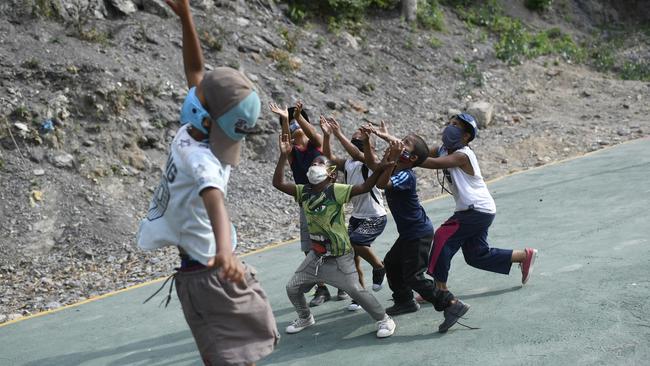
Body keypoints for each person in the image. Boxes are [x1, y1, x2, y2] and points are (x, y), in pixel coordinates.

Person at [136, 1, 278, 365]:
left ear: (203, 111)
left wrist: (226, 254)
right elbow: (196, 70)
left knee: (228, 356)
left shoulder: (200, 156)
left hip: (210, 271)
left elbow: (215, 199)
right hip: (208, 266)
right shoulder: (208, 125)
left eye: (197, 94)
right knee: (235, 352)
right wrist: (186, 17)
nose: (193, 90)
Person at [272, 132, 396, 338]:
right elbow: (278, 183)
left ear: (331, 174)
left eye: (320, 163)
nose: (314, 165)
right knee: (292, 288)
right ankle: (305, 318)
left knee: (356, 291)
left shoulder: (336, 190)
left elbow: (365, 186)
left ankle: (384, 320)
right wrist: (284, 155)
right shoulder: (304, 191)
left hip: (339, 256)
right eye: (314, 163)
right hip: (316, 257)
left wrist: (381, 169)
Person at [420, 113, 538, 299]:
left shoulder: (463, 155)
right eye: (450, 123)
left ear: (466, 136)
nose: (450, 127)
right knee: (476, 254)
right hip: (480, 210)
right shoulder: (443, 149)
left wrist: (408, 157)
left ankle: (439, 290)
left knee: (442, 236)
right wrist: (395, 142)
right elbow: (423, 151)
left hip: (476, 210)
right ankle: (523, 256)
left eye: (456, 125)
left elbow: (432, 163)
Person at [372, 124, 471, 333]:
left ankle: (451, 304)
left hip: (418, 233)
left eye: (406, 143)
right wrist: (378, 138)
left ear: (413, 158)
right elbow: (381, 167)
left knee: (414, 276)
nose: (400, 143)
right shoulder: (398, 166)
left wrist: (391, 159)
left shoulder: (406, 175)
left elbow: (382, 184)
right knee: (391, 262)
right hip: (409, 232)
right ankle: (405, 301)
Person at [269, 102, 348, 306]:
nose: (294, 129)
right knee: (311, 245)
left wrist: (297, 117)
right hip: (307, 205)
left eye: (296, 124)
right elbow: (286, 139)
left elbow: (313, 133)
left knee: (335, 241)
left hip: (329, 202)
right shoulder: (293, 154)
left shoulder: (316, 144)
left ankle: (342, 283)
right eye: (289, 125)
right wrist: (286, 120)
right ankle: (321, 288)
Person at [319, 117, 388, 312]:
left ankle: (378, 266)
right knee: (351, 255)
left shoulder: (370, 162)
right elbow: (328, 158)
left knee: (354, 242)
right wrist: (327, 136)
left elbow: (359, 154)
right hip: (358, 216)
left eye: (360, 139)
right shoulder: (349, 163)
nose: (355, 140)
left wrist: (339, 133)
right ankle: (359, 295)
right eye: (354, 138)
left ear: (369, 146)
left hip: (375, 215)